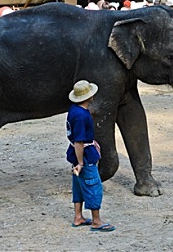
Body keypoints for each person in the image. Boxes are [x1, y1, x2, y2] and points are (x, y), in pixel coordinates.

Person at [66, 80, 115, 232]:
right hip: (84, 156)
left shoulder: (74, 110)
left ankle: (78, 217)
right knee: (93, 186)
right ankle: (96, 221)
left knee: (79, 186)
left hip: (75, 153)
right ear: (88, 97)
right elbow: (79, 142)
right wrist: (81, 162)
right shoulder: (81, 115)